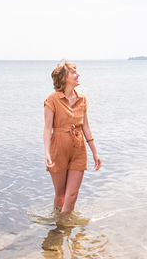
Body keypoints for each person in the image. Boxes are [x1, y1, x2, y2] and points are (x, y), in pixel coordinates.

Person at [43, 61, 102, 217]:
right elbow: (48, 129)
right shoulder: (52, 99)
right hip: (58, 149)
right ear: (64, 78)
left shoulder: (82, 99)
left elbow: (86, 127)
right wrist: (47, 153)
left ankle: (64, 228)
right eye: (73, 73)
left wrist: (95, 153)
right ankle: (57, 228)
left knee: (72, 196)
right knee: (61, 195)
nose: (78, 75)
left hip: (78, 149)